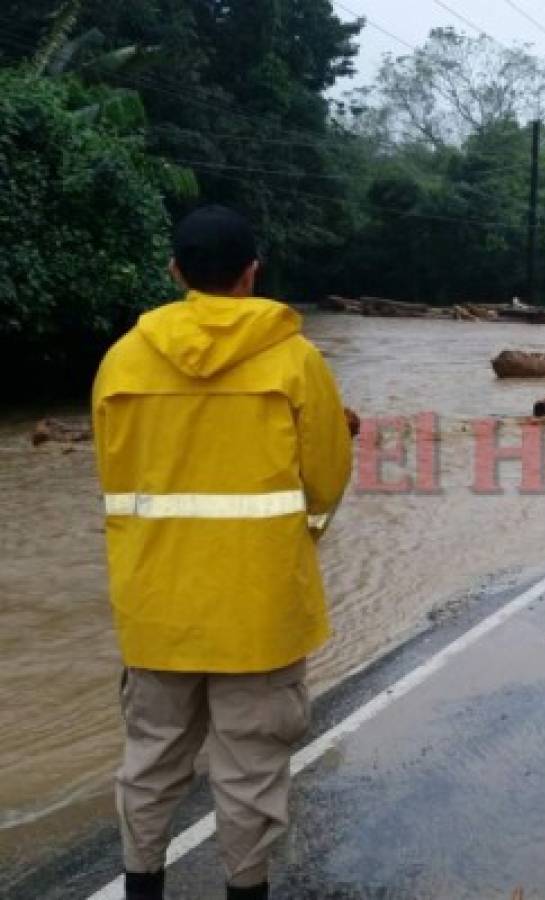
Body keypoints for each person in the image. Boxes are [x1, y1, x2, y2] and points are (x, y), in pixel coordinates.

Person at [91, 205, 353, 900]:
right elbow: (327, 479)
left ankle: (141, 890)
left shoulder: (121, 360)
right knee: (251, 771)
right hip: (260, 610)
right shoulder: (296, 359)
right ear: (251, 273)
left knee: (149, 764)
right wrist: (290, 546)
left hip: (156, 607)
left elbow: (116, 482)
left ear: (174, 270)